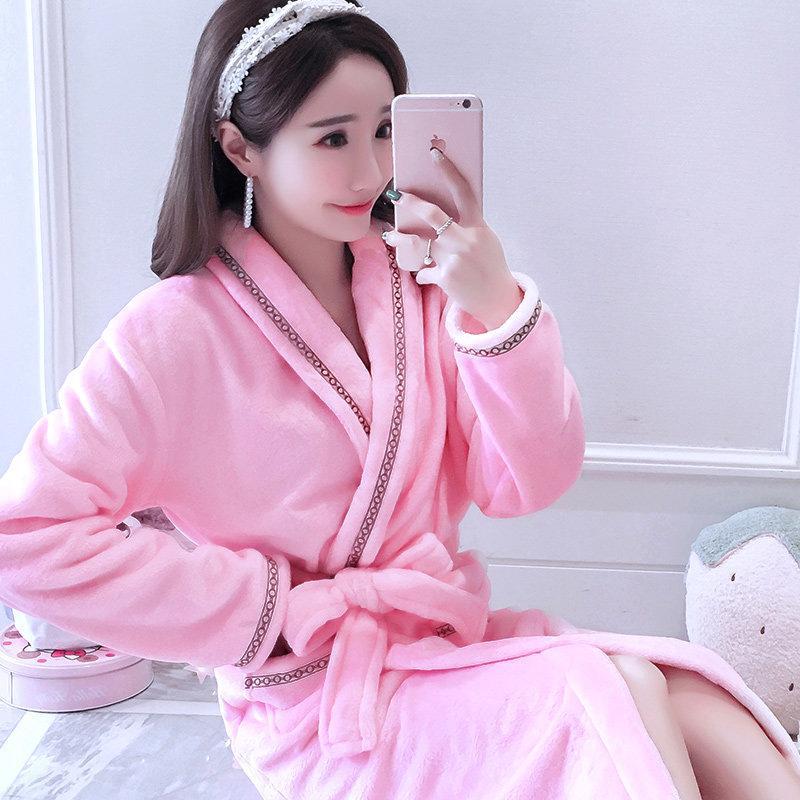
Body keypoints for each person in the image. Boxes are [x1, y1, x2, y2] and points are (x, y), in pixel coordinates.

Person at [2, 1, 800, 797]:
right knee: (606, 690)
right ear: (241, 148)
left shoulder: (421, 287)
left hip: (439, 651)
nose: (369, 171)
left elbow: (524, 485)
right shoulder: (173, 331)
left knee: (687, 692)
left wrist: (495, 309)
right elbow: (26, 536)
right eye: (333, 139)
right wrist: (265, 610)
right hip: (317, 704)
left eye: (385, 130)